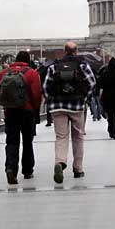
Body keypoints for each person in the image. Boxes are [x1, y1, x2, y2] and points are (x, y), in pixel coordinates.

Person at [43, 41, 96, 183]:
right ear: (76, 51)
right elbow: (92, 83)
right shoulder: (83, 65)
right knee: (78, 137)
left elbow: (46, 86)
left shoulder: (54, 66)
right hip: (76, 105)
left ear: (64, 51)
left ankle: (60, 162)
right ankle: (78, 169)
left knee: (61, 136)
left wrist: (51, 101)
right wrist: (84, 98)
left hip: (58, 106)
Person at [0, 51, 42, 184]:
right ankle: (27, 171)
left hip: (10, 112)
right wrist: (34, 108)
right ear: (27, 61)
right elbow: (37, 94)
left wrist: (5, 103)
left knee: (12, 142)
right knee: (27, 141)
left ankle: (10, 169)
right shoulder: (32, 73)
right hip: (27, 111)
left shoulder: (4, 73)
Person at [97, 57, 115, 139]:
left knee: (109, 113)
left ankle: (110, 130)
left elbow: (100, 84)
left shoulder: (104, 73)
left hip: (106, 95)